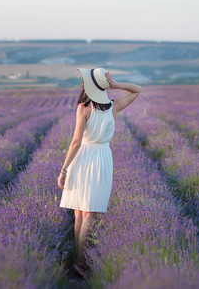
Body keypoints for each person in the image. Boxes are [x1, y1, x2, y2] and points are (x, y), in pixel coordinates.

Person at [57, 67, 142, 278]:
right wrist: (116, 85)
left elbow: (76, 141)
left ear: (88, 86)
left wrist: (64, 169)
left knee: (80, 214)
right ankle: (80, 262)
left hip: (82, 157)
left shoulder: (83, 107)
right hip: (101, 159)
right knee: (89, 213)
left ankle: (79, 261)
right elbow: (137, 90)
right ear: (103, 87)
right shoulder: (113, 106)